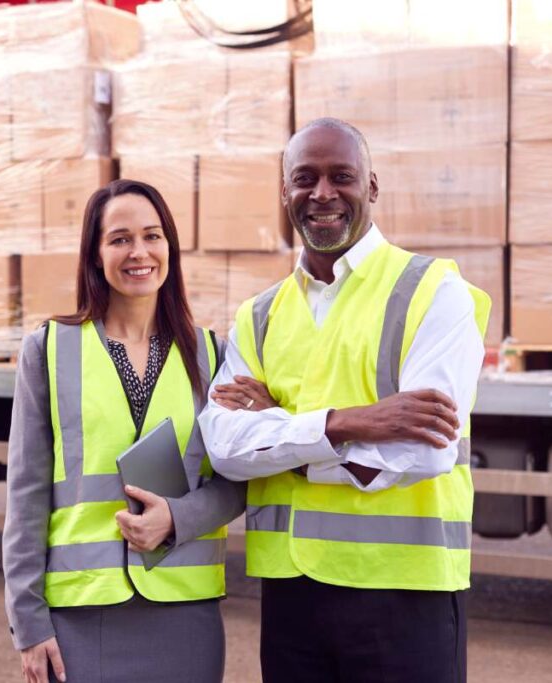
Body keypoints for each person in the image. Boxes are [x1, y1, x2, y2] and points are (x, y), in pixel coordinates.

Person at [199, 118, 490, 683]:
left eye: (342, 176)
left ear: (372, 187)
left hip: (405, 593)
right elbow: (226, 447)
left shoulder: (435, 291)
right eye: (304, 178)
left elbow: (424, 451)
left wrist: (282, 436)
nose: (322, 194)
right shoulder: (258, 315)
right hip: (292, 600)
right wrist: (347, 423)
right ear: (284, 192)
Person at [3, 179, 246, 683]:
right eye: (119, 239)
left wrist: (176, 518)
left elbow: (236, 481)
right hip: (82, 612)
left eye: (152, 236)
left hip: (185, 611)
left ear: (169, 248)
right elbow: (25, 494)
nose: (139, 252)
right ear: (95, 254)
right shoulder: (49, 350)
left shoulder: (212, 354)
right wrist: (27, 622)